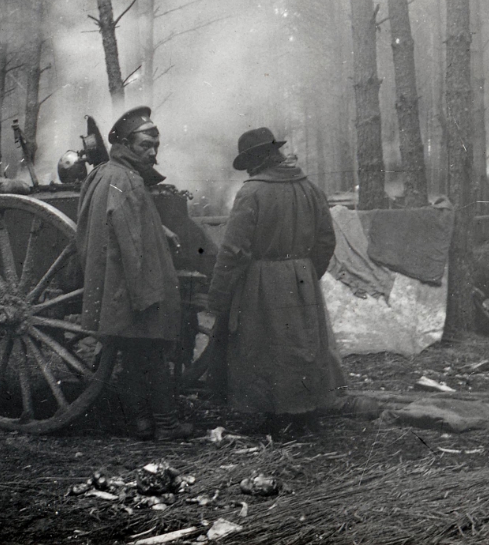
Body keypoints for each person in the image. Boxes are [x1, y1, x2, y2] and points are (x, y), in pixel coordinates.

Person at [207, 127, 345, 433]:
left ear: (258, 159)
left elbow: (233, 250)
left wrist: (218, 296)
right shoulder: (310, 188)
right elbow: (326, 240)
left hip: (263, 281)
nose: (249, 170)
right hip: (303, 279)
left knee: (268, 348)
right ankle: (305, 412)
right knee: (303, 344)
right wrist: (307, 273)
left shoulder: (251, 192)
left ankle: (276, 416)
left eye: (249, 163)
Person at [76, 106, 193, 440]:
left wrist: (159, 229)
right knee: (153, 353)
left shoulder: (107, 174)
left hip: (117, 285)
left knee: (133, 354)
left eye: (156, 145)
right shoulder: (126, 180)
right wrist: (147, 297)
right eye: (146, 145)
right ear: (125, 144)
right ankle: (166, 425)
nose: (153, 152)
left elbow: (123, 222)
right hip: (134, 288)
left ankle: (140, 422)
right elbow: (131, 242)